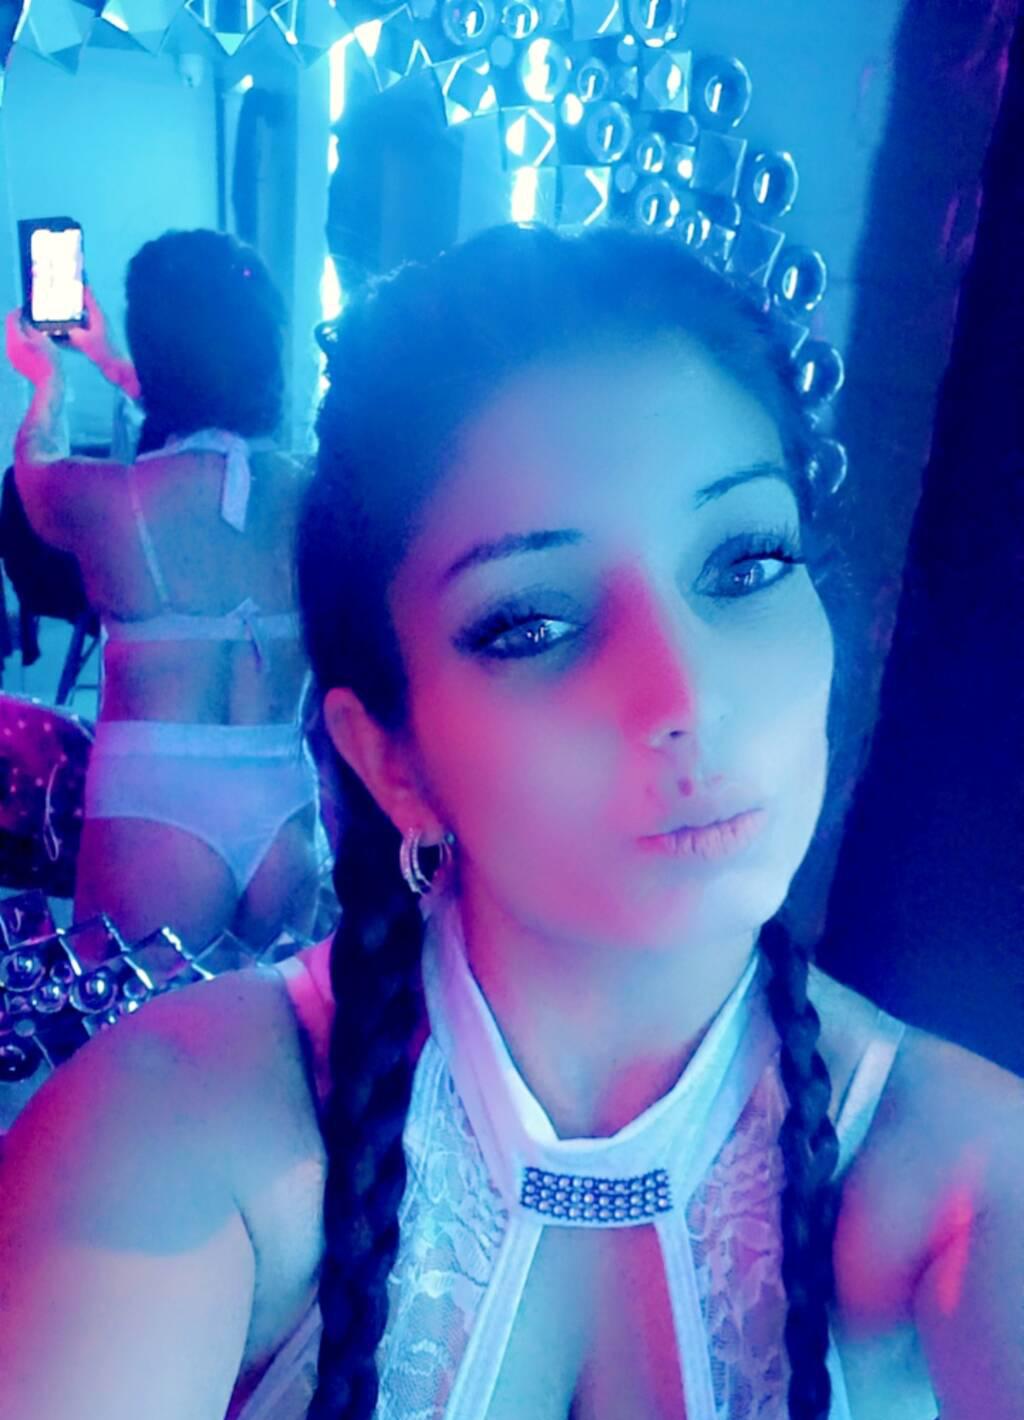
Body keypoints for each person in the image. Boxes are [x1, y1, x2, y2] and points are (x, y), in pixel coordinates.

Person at [1, 223, 1022, 1420]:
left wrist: (47, 388)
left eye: (745, 562)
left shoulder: (968, 1176)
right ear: (390, 760)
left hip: (156, 785)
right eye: (530, 624)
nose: (686, 696)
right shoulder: (173, 1137)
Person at [4, 231, 320, 953]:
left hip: (156, 811)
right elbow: (220, 428)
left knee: (132, 1021)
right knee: (270, 1016)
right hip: (284, 810)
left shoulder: (108, 502)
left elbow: (34, 470)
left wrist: (48, 380)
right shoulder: (315, 497)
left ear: (157, 354)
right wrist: (113, 363)